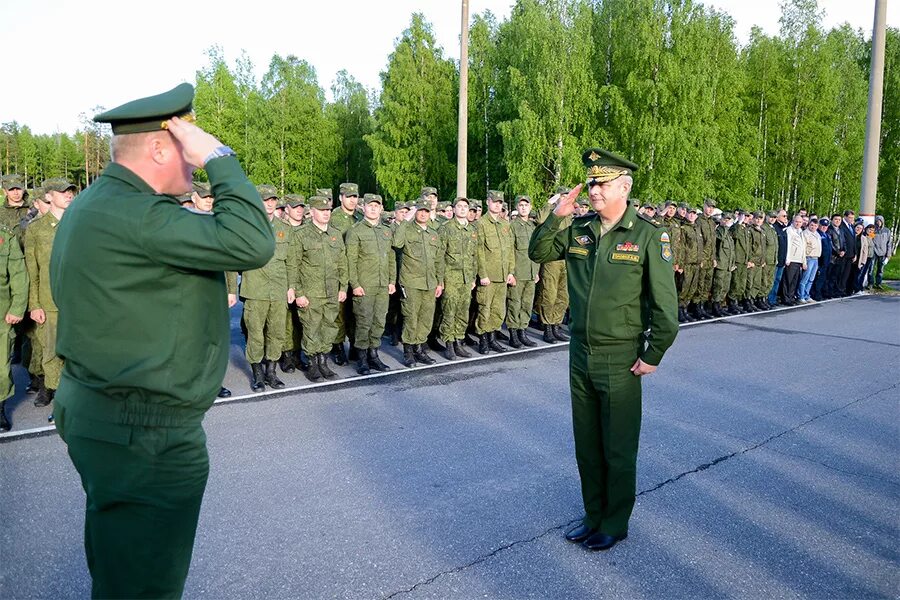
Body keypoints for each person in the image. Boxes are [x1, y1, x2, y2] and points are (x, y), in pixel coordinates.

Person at [49, 83, 275, 598]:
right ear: (157, 147)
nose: (194, 167)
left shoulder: (93, 205)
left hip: (104, 415)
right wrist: (220, 158)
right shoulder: (143, 215)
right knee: (145, 587)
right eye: (188, 151)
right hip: (145, 434)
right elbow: (253, 241)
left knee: (120, 570)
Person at [529, 148, 678, 552]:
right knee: (587, 445)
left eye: (601, 183)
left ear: (624, 188)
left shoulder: (648, 236)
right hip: (580, 352)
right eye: (591, 183)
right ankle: (593, 514)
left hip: (621, 355)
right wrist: (557, 215)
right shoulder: (578, 230)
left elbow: (666, 307)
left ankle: (615, 521)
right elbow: (538, 252)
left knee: (617, 446)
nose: (593, 190)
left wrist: (653, 353)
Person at [235, 184, 296, 392]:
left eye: (272, 200)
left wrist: (291, 287)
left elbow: (292, 261)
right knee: (255, 334)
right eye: (265, 200)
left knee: (277, 333)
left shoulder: (284, 229)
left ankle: (271, 372)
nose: (269, 204)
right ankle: (257, 374)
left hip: (279, 290)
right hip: (255, 290)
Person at [24, 178, 75, 414]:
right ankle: (57, 397)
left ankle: (74, 397)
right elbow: (31, 270)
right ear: (48, 197)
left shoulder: (80, 223)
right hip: (50, 300)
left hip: (81, 301)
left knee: (79, 351)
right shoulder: (36, 229)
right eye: (63, 191)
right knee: (52, 352)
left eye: (71, 191)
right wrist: (34, 304)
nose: (69, 194)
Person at [292, 195, 348, 382]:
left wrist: (343, 287)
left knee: (329, 327)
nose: (326, 213)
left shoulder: (335, 233)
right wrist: (299, 293)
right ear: (312, 211)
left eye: (328, 210)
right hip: (311, 292)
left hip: (332, 290)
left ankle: (323, 361)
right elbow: (295, 266)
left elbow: (342, 263)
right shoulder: (301, 234)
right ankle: (312, 363)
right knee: (311, 327)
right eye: (322, 210)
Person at [345, 193, 396, 374]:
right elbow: (350, 260)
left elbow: (391, 257)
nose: (374, 209)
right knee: (363, 322)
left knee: (379, 322)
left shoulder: (385, 231)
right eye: (370, 205)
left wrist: (391, 280)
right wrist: (355, 284)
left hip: (382, 285)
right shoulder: (356, 231)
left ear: (381, 209)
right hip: (365, 285)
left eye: (377, 206)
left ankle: (374, 355)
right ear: (363, 208)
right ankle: (362, 358)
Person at [392, 199, 442, 367]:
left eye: (426, 211)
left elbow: (438, 261)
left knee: (426, 318)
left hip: (430, 283)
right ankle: (408, 351)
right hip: (411, 282)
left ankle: (419, 348)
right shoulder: (407, 230)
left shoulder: (433, 233)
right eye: (420, 210)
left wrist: (439, 282)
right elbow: (396, 243)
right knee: (411, 317)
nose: (423, 214)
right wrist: (406, 220)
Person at [436, 197, 478, 360]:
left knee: (463, 311)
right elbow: (439, 256)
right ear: (453, 209)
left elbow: (474, 256)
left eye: (465, 207)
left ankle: (459, 341)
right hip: (450, 277)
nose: (462, 209)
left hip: (467, 278)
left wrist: (473, 277)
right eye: (459, 206)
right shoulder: (446, 228)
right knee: (449, 311)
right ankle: (449, 344)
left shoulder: (472, 230)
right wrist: (440, 280)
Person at [475, 190, 514, 354]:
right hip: (489, 276)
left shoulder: (505, 224)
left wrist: (511, 271)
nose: (497, 204)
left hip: (503, 274)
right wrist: (482, 274)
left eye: (500, 202)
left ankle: (492, 338)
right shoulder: (481, 223)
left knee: (498, 310)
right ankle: (483, 340)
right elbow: (478, 251)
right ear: (487, 202)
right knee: (485, 308)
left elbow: (510, 250)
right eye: (494, 201)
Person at [534, 187, 572, 343]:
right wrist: (550, 203)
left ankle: (556, 325)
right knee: (549, 294)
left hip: (566, 259)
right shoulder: (551, 213)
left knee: (563, 295)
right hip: (551, 259)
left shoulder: (569, 215)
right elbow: (540, 219)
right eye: (562, 196)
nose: (564, 199)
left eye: (566, 197)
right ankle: (548, 328)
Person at [330, 182, 362, 365]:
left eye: (354, 197)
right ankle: (338, 347)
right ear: (341, 197)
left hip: (357, 272)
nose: (352, 200)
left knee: (355, 312)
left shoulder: (359, 218)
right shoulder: (333, 217)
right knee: (339, 313)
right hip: (339, 271)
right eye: (348, 197)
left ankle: (355, 347)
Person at [506, 195, 539, 348]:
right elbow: (509, 251)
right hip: (518, 272)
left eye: (526, 205)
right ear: (517, 208)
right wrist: (510, 272)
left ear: (530, 207)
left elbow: (535, 251)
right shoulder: (512, 226)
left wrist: (536, 271)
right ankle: (513, 334)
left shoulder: (533, 227)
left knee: (527, 303)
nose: (524, 208)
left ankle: (522, 331)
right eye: (521, 205)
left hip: (531, 272)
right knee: (515, 303)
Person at [781, 214, 807, 304]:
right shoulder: (789, 230)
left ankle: (791, 297)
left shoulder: (801, 231)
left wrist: (804, 261)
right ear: (793, 221)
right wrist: (787, 259)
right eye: (796, 221)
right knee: (788, 280)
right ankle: (786, 298)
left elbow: (803, 247)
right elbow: (788, 245)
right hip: (791, 259)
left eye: (800, 222)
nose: (798, 223)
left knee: (794, 280)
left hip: (799, 260)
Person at [797, 218, 821, 303]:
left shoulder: (817, 234)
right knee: (805, 279)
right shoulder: (805, 234)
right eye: (812, 225)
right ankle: (801, 296)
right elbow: (803, 249)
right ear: (808, 225)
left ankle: (807, 295)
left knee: (811, 279)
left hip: (816, 258)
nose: (813, 227)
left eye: (815, 225)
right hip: (808, 258)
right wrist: (804, 261)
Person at [813, 218, 833, 301]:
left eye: (826, 226)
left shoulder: (827, 235)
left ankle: (821, 293)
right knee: (818, 279)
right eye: (822, 226)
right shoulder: (818, 234)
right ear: (819, 226)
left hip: (827, 261)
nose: (824, 227)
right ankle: (816, 294)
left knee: (824, 278)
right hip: (820, 261)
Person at [871, 215, 893, 288]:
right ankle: (870, 283)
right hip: (874, 252)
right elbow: (870, 241)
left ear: (882, 221)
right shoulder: (873, 230)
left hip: (883, 253)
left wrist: (888, 255)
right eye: (877, 221)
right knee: (871, 269)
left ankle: (878, 283)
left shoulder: (887, 231)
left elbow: (889, 243)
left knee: (880, 270)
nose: (878, 222)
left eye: (880, 221)